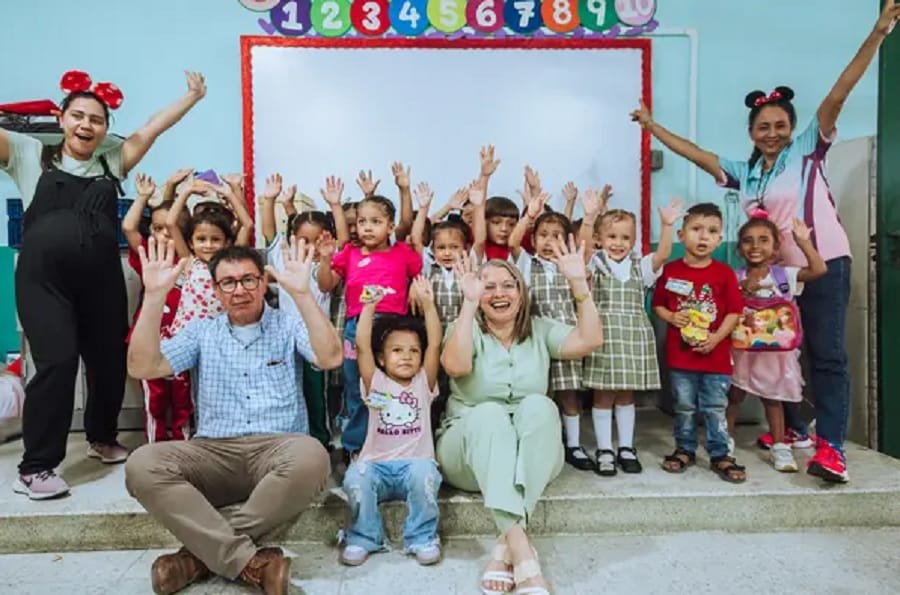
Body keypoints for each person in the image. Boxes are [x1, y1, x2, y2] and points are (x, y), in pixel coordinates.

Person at [631, 1, 900, 483]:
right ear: (752, 133)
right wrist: (653, 128)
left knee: (826, 355)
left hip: (821, 262)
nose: (771, 133)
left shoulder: (807, 149)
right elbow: (698, 155)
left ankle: (831, 447)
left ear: (791, 129)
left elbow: (839, 92)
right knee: (782, 350)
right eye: (763, 127)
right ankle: (795, 430)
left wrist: (878, 33)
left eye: (779, 126)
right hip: (769, 277)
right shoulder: (747, 171)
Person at [0, 70, 206, 499]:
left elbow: (151, 128)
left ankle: (101, 437)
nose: (86, 125)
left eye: (96, 119)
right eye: (77, 116)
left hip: (100, 280)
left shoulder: (111, 161)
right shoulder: (29, 153)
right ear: (61, 119)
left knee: (110, 359)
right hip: (44, 282)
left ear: (105, 128)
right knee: (57, 362)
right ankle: (35, 468)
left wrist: (192, 97)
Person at [124, 238, 341, 595]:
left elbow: (330, 357)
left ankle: (195, 558)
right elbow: (143, 366)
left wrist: (303, 295)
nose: (239, 290)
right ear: (216, 290)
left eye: (248, 279)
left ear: (263, 282)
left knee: (313, 456)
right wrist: (154, 297)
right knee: (142, 465)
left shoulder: (288, 325)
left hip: (278, 451)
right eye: (228, 282)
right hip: (213, 452)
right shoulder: (201, 330)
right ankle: (248, 562)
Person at [437, 241, 603, 595]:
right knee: (489, 413)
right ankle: (524, 554)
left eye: (508, 285)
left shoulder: (539, 329)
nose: (499, 293)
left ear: (522, 293)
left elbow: (590, 340)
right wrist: (468, 304)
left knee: (541, 406)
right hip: (469, 452)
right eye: (488, 287)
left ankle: (506, 547)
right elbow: (455, 366)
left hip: (532, 458)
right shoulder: (464, 327)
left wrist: (579, 284)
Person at [339, 277, 443, 567]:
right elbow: (361, 347)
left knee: (425, 474)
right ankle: (364, 537)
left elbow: (435, 343)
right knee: (355, 478)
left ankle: (422, 537)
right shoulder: (376, 381)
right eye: (397, 350)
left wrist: (429, 306)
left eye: (413, 351)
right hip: (377, 467)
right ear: (382, 359)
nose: (406, 357)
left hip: (415, 465)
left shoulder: (423, 382)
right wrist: (369, 307)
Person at [578, 190, 682, 476]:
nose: (618, 243)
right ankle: (604, 449)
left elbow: (663, 254)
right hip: (604, 334)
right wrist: (589, 217)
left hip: (633, 336)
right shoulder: (596, 262)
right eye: (612, 237)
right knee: (603, 395)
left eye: (625, 238)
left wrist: (667, 226)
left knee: (626, 395)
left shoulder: (640, 265)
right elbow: (582, 252)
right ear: (600, 239)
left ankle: (625, 447)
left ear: (634, 241)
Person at [317, 195, 423, 459]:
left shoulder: (402, 252)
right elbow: (325, 285)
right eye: (362, 221)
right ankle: (357, 446)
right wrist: (325, 259)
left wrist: (414, 286)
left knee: (392, 386)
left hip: (392, 329)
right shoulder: (349, 254)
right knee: (358, 388)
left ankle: (391, 444)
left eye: (375, 221)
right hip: (357, 329)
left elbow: (418, 273)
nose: (367, 227)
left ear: (390, 226)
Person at [652, 204, 746, 483]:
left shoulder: (724, 273)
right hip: (681, 358)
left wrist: (717, 338)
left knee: (715, 407)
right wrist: (672, 316)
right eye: (696, 229)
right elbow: (658, 305)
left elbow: (734, 312)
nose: (704, 236)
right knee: (684, 406)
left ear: (720, 239)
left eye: (712, 231)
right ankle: (685, 449)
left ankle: (720, 454)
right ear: (681, 235)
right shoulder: (670, 271)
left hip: (716, 358)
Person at [727, 216, 826, 472]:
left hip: (776, 355)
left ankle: (780, 446)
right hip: (742, 352)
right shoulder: (735, 277)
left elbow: (818, 270)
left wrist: (804, 242)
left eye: (763, 240)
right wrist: (742, 291)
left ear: (775, 247)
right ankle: (725, 438)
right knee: (733, 395)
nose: (755, 246)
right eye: (748, 241)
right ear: (739, 248)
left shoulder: (785, 276)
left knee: (773, 400)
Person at [121, 172, 191, 442]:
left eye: (169, 229)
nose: (162, 234)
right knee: (155, 402)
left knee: (184, 401)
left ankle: (183, 446)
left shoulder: (188, 261)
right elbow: (129, 228)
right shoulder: (148, 258)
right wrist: (143, 198)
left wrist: (177, 190)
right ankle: (156, 446)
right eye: (157, 228)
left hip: (182, 344)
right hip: (150, 343)